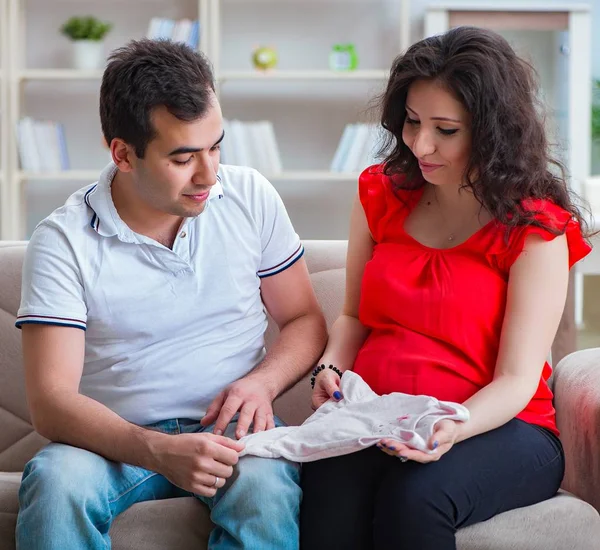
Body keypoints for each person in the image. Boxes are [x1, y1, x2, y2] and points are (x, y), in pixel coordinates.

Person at [15, 39, 327, 550]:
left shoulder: (249, 196)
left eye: (215, 147)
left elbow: (304, 319)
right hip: (109, 441)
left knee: (266, 488)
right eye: (183, 158)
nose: (209, 175)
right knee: (55, 484)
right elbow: (51, 403)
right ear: (123, 154)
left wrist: (263, 383)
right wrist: (156, 449)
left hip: (233, 431)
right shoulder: (63, 240)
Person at [300, 26, 592, 550]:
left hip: (500, 426)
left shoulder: (534, 229)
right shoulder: (379, 194)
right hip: (380, 416)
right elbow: (352, 316)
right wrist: (330, 370)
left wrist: (452, 428)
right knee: (326, 493)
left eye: (446, 129)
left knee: (415, 498)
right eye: (412, 122)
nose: (421, 144)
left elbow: (517, 378)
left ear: (492, 130)